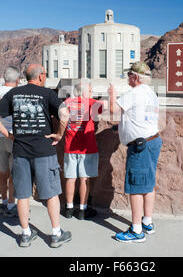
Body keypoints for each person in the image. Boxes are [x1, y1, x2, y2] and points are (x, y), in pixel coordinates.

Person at [0, 64, 71, 248]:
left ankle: (25, 234)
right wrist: (59, 134)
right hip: (44, 151)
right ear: (41, 76)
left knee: (22, 195)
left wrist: (9, 135)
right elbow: (64, 113)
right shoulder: (48, 94)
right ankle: (56, 234)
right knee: (50, 194)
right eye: (45, 74)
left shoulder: (14, 93)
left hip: (21, 151)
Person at [108, 62, 162, 243]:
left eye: (129, 75)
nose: (128, 78)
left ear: (136, 77)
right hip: (153, 141)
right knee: (148, 183)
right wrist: (122, 127)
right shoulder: (151, 93)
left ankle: (136, 230)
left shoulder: (134, 93)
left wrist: (111, 94)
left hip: (140, 146)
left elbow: (113, 110)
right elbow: (138, 116)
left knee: (136, 187)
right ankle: (147, 221)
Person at [63, 80, 103, 220]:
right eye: (91, 91)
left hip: (69, 147)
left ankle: (68, 208)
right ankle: (82, 209)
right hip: (87, 148)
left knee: (70, 178)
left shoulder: (67, 102)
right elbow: (106, 108)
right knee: (84, 179)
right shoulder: (92, 102)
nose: (92, 93)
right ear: (86, 92)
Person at [0, 66, 21, 217]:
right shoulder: (18, 93)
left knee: (3, 172)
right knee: (14, 174)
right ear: (18, 80)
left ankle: (3, 202)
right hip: (14, 137)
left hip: (0, 137)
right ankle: (11, 204)